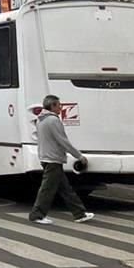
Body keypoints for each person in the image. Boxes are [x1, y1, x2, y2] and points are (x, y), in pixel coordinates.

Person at [29, 94, 95, 225]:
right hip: (53, 159)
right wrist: (79, 156)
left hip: (47, 157)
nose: (60, 108)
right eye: (59, 105)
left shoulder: (40, 120)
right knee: (47, 189)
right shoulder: (53, 120)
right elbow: (63, 141)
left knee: (66, 189)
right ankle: (37, 215)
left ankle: (79, 214)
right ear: (52, 106)